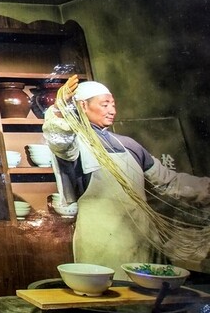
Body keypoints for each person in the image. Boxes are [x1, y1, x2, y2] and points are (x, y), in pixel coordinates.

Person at [43, 75, 209, 279]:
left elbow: (168, 181)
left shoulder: (129, 145)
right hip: (103, 244)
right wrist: (59, 109)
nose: (112, 110)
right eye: (104, 104)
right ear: (83, 106)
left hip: (142, 239)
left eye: (113, 104)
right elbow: (58, 139)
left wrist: (206, 188)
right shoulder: (75, 145)